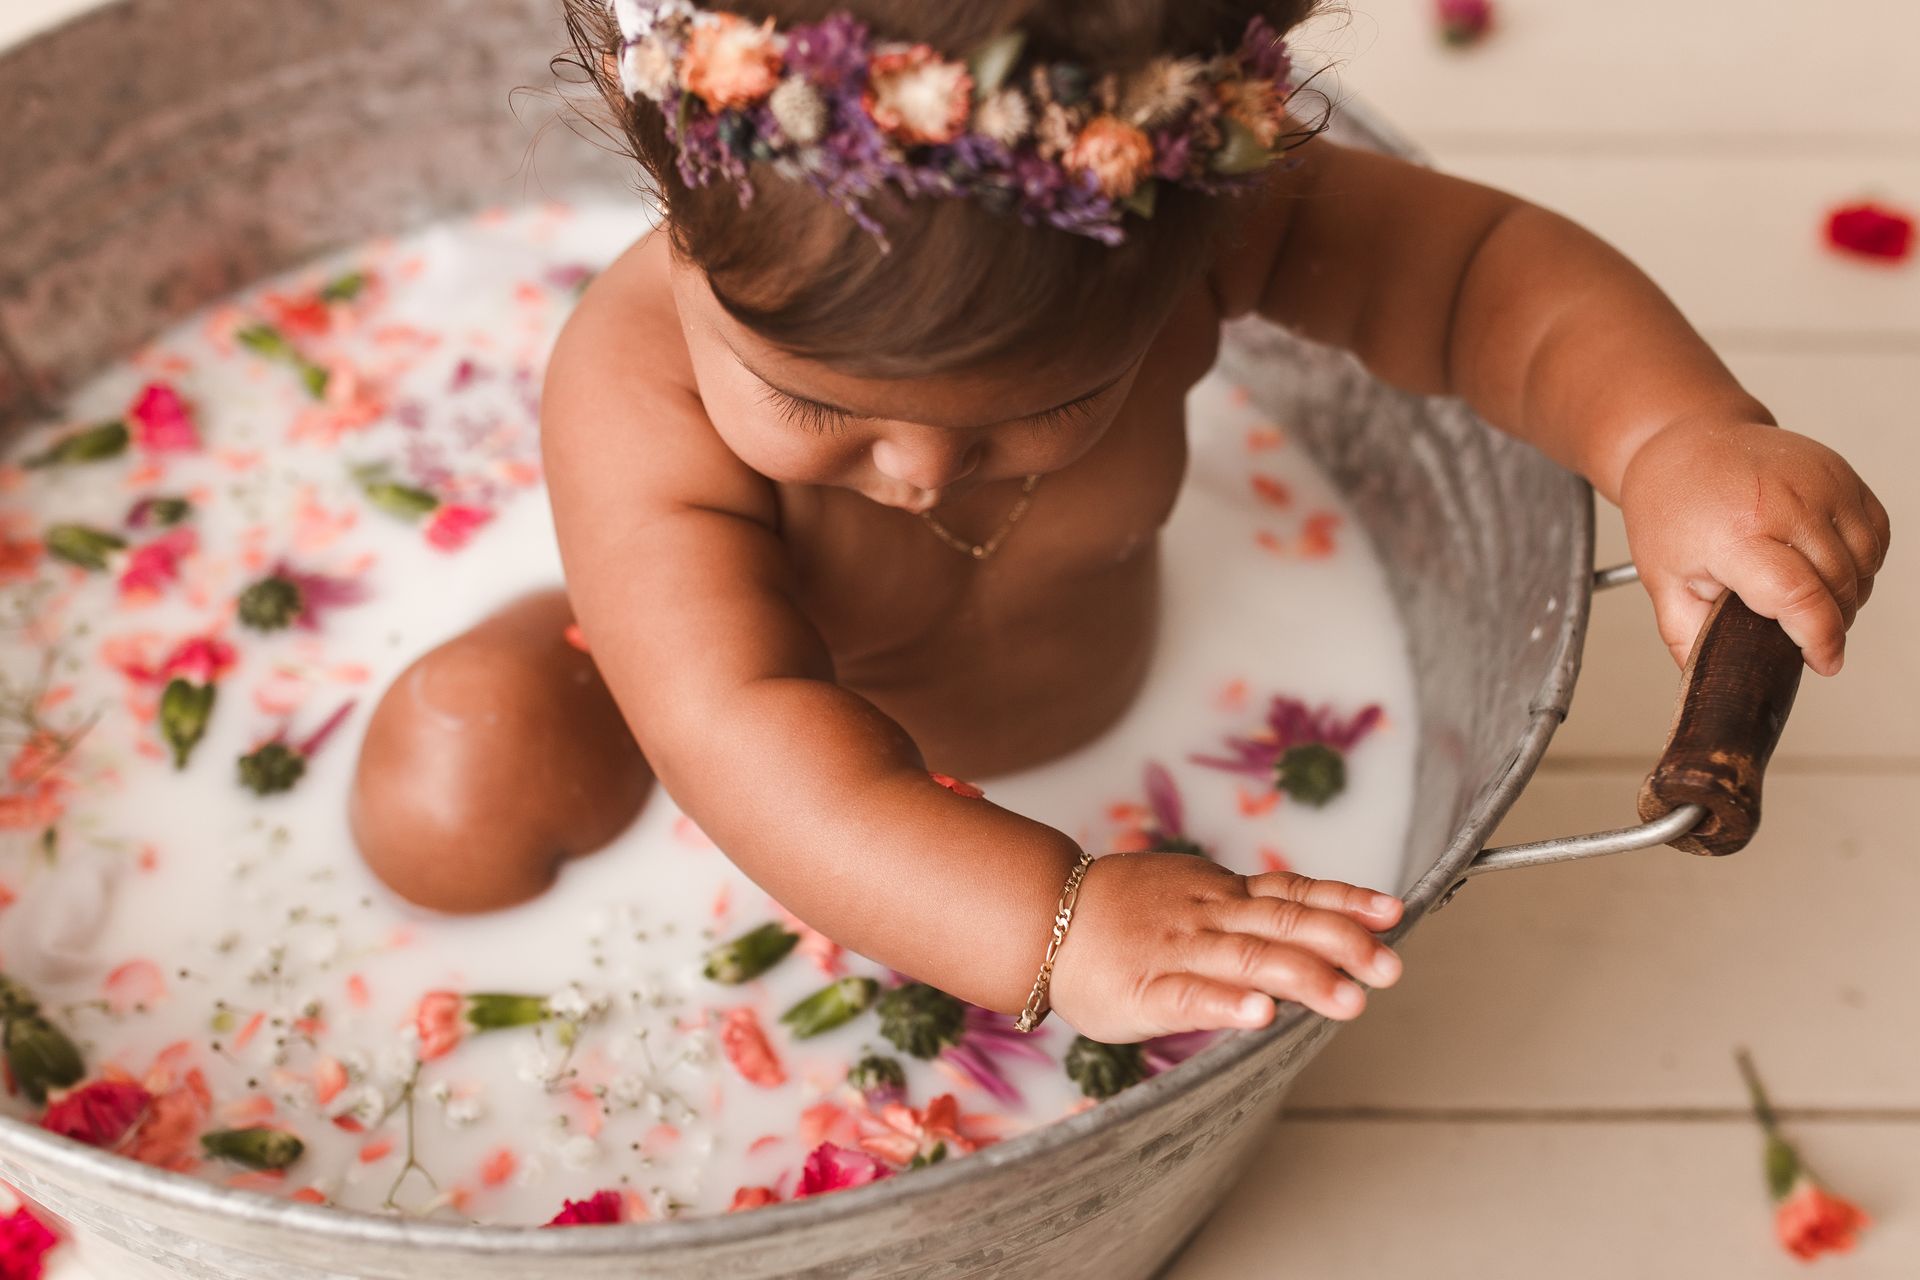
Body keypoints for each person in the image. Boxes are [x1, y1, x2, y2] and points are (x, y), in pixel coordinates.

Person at [351, 0, 1888, 1046]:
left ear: (1188, 247)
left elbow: (1476, 275)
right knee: (462, 792)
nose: (920, 474)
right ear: (678, 234)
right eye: (812, 403)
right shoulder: (636, 387)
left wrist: (1673, 436)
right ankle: (513, 694)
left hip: (1088, 697)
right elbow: (742, 728)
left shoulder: (1169, 233)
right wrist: (1053, 922)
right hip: (752, 752)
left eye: (1033, 411)